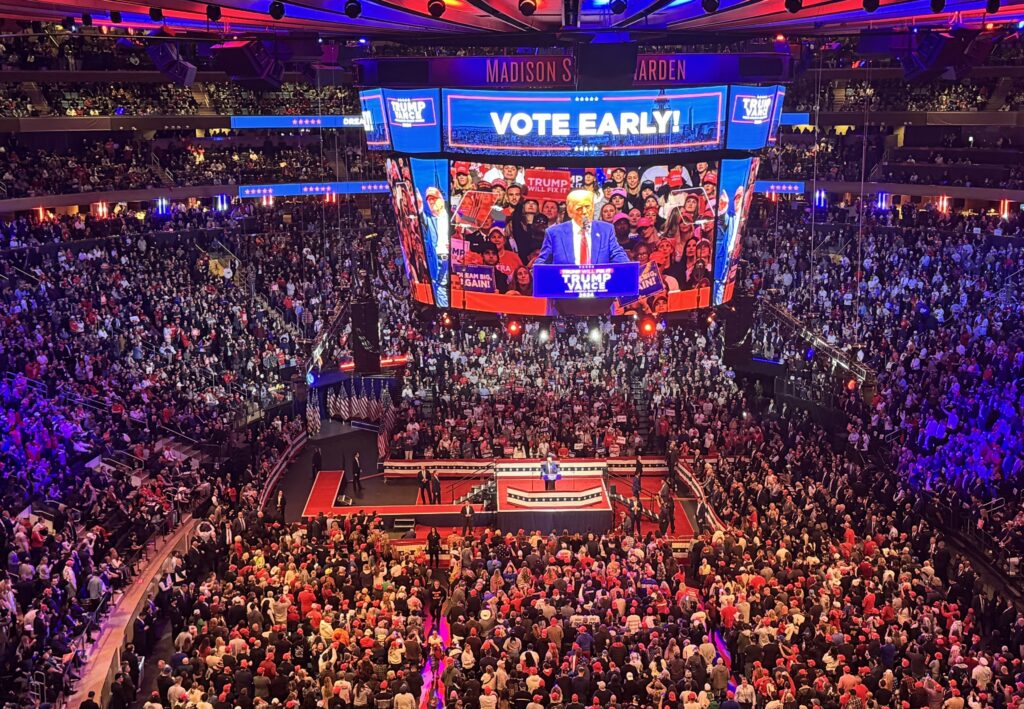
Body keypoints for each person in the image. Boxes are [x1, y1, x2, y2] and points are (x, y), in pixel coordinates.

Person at [535, 189, 630, 265]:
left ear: (593, 207)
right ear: (570, 211)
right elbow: (542, 263)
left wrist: (627, 268)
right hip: (564, 286)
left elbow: (618, 255)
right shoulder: (554, 233)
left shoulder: (606, 230)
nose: (584, 212)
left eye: (588, 207)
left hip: (598, 286)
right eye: (579, 208)